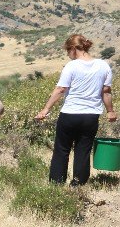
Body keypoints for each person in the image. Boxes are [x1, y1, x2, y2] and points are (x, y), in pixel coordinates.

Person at [36, 34, 115, 185]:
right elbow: (106, 91)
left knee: (62, 149)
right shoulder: (103, 65)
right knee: (83, 150)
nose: (68, 54)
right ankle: (78, 183)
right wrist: (110, 111)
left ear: (73, 49)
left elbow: (60, 89)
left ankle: (57, 183)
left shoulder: (72, 66)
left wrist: (45, 109)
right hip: (91, 115)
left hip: (70, 114)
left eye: (68, 51)